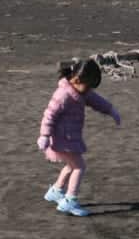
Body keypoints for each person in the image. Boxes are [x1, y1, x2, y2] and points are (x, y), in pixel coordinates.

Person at [37, 58, 121, 216]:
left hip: (70, 137)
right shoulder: (63, 95)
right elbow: (49, 115)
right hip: (63, 138)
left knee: (70, 165)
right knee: (79, 167)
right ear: (76, 79)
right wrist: (44, 135)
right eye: (87, 86)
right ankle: (70, 200)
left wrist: (110, 110)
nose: (88, 90)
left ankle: (56, 190)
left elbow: (95, 100)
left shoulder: (81, 90)